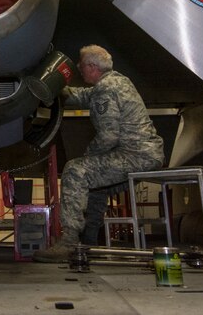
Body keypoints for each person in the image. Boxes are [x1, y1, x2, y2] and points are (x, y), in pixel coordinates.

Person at [33, 45, 164, 262]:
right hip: (147, 154)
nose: (79, 68)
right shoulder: (117, 81)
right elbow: (80, 97)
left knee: (76, 170)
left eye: (81, 65)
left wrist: (88, 157)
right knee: (94, 183)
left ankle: (69, 243)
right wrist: (51, 86)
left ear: (92, 67)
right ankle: (89, 243)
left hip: (136, 156)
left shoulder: (106, 89)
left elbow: (108, 137)